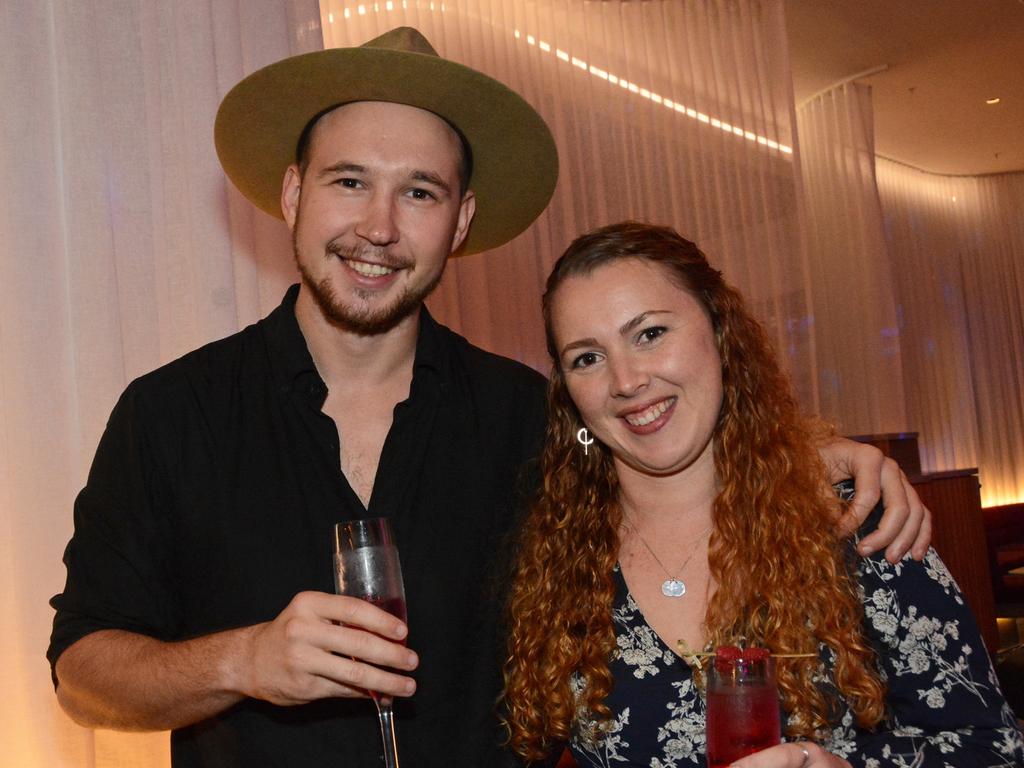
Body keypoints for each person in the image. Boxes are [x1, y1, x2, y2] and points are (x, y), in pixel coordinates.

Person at [48, 28, 929, 768]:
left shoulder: (530, 419)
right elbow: (85, 672)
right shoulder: (166, 417)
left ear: (460, 222)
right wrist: (244, 659)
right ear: (293, 193)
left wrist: (817, 458)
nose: (380, 227)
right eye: (349, 180)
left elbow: (659, 452)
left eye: (419, 192)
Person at [503, 222, 1024, 767]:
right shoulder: (552, 562)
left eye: (651, 333)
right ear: (568, 393)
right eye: (587, 358)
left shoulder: (850, 518)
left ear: (720, 331)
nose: (627, 380)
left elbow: (993, 748)